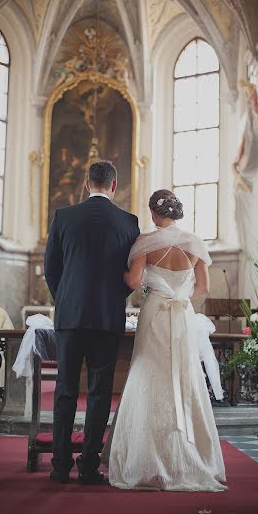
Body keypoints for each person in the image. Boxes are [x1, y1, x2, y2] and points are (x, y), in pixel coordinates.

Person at [105, 189, 227, 491]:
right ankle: (189, 456)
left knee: (149, 372)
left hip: (155, 312)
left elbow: (132, 282)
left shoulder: (146, 242)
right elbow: (203, 287)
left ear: (153, 213)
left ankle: (145, 457)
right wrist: (179, 293)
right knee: (183, 374)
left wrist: (148, 285)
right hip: (182, 314)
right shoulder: (194, 243)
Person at [44, 160, 140, 485]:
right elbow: (131, 276)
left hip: (69, 317)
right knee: (99, 393)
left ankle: (59, 467)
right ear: (114, 185)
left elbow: (50, 269)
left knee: (65, 390)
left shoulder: (63, 216)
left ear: (87, 184)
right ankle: (87, 467)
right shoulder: (129, 222)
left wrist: (67, 300)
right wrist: (112, 300)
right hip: (107, 317)